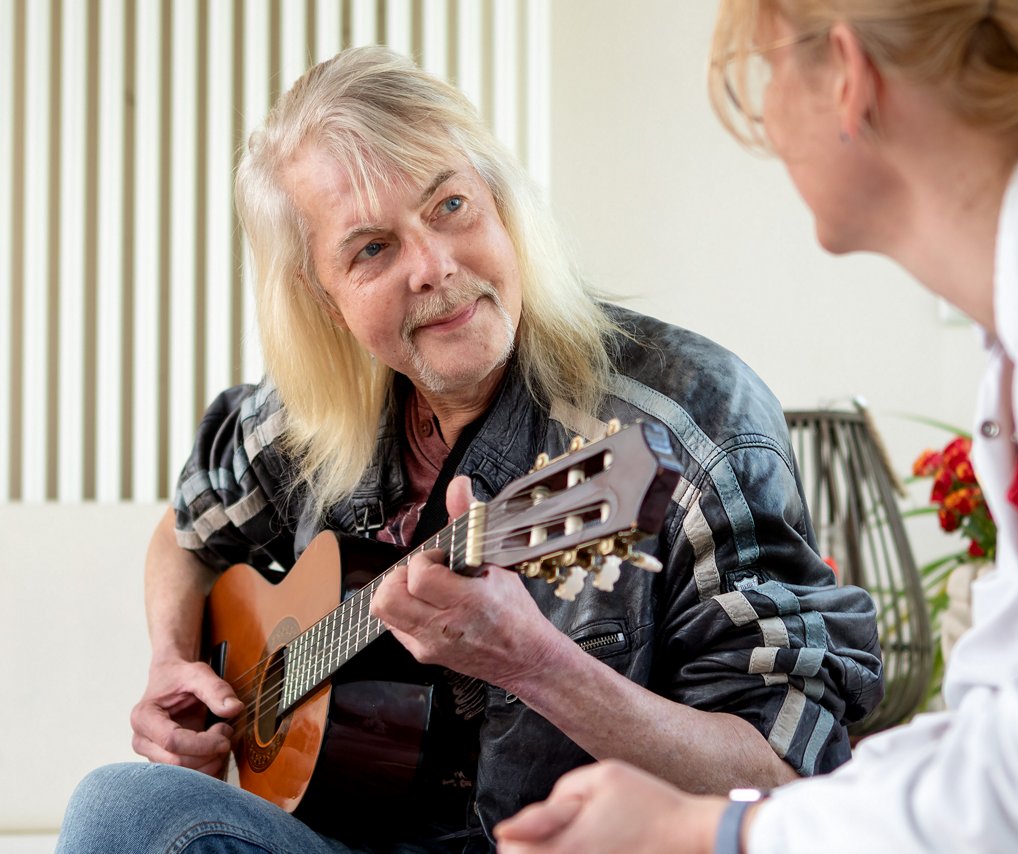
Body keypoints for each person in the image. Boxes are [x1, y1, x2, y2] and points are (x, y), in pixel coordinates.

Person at [493, 0, 1018, 852]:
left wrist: (711, 832)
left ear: (846, 76)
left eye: (762, 69)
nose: (762, 120)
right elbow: (1003, 714)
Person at [55, 45, 884, 853]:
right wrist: (173, 660)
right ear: (323, 296)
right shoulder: (314, 413)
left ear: (498, 200)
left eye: (449, 205)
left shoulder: (685, 425)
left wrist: (539, 665)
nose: (435, 266)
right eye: (372, 249)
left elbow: (787, 777)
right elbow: (188, 530)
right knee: (130, 806)